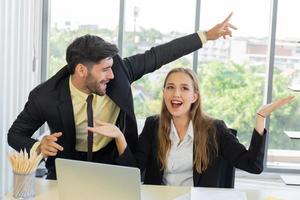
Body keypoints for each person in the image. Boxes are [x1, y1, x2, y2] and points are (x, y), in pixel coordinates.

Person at [7, 13, 237, 180]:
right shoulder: (45, 96)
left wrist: (206, 35)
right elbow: (15, 134)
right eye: (104, 69)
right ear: (81, 70)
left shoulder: (120, 71)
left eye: (111, 67)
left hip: (114, 163)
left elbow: (159, 55)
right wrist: (38, 145)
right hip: (68, 167)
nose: (112, 74)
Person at [88, 67, 294, 187]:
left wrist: (260, 117)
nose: (176, 94)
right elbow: (133, 173)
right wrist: (119, 137)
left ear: (194, 96)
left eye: (184, 88)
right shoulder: (153, 125)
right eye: (170, 87)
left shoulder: (215, 129)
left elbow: (253, 166)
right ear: (164, 93)